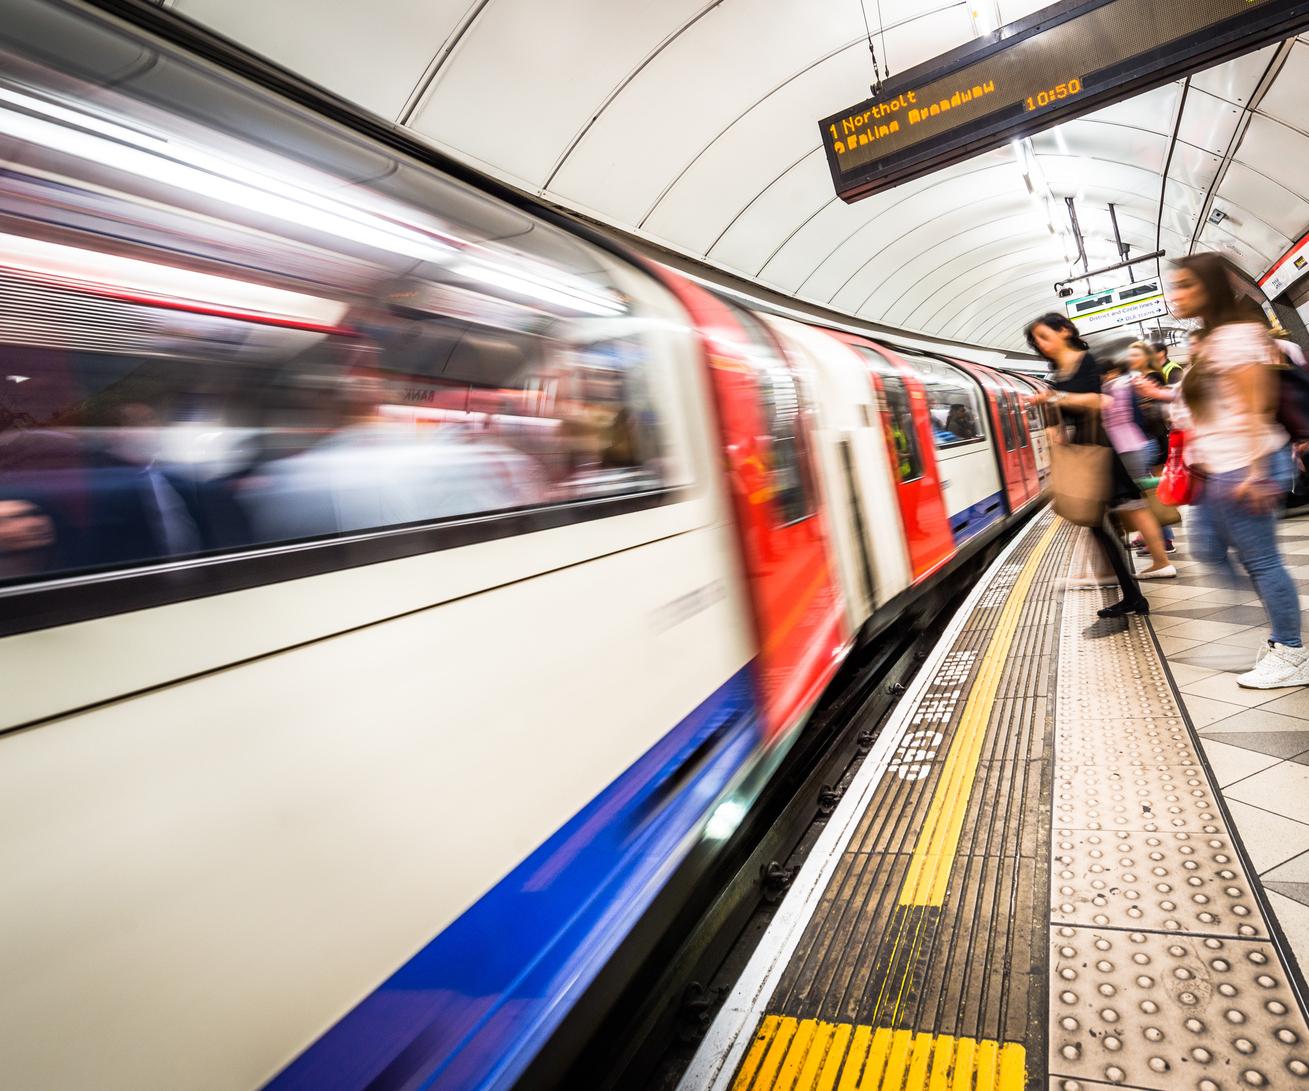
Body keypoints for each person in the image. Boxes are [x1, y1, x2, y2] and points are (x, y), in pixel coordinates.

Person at [1169, 252, 1307, 688]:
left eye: (1186, 285)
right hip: (1217, 468)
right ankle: (1273, 627)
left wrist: (1255, 473)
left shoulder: (1239, 337)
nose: (1176, 294)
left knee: (1262, 561)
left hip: (1246, 464)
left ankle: (1291, 652)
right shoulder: (1211, 340)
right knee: (1208, 550)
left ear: (1210, 287)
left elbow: (1256, 408)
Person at [1025, 312, 1148, 618]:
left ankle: (1133, 595)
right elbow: (1062, 414)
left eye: (1044, 336)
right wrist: (1053, 426)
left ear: (1065, 330)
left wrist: (1055, 398)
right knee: (1098, 527)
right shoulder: (1057, 373)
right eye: (1036, 341)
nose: (1041, 344)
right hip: (1080, 450)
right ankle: (1132, 595)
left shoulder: (1087, 361)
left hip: (1098, 449)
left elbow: (1098, 401)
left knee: (1101, 526)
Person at [1100, 356, 1176, 576]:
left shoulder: (1114, 388)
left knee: (1135, 504)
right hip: (1135, 444)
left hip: (1126, 448)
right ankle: (1159, 551)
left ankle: (1161, 558)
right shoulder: (1125, 386)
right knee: (1138, 501)